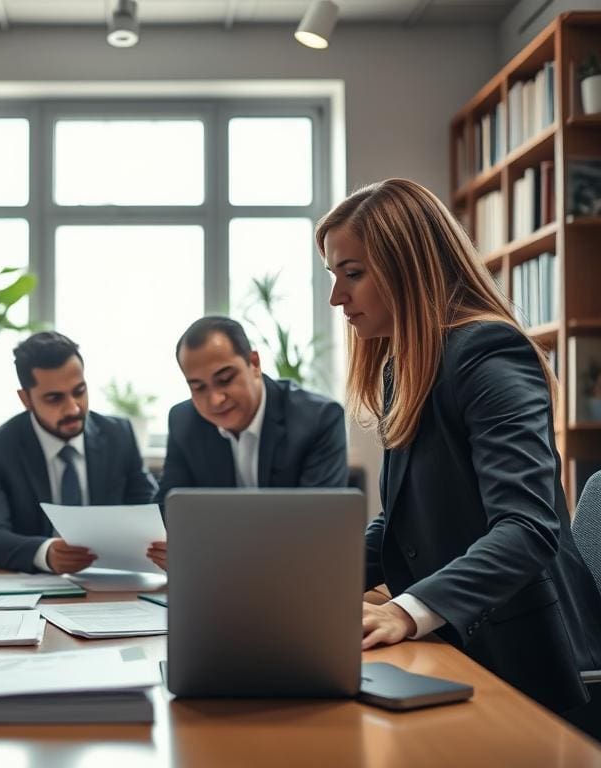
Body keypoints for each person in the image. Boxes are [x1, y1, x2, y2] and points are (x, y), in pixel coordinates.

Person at [318, 177, 601, 714]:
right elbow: (403, 525)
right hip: (461, 639)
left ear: (408, 267)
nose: (337, 297)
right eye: (334, 277)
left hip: (531, 655)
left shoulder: (488, 354)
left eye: (352, 274)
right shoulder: (404, 367)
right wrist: (308, 582)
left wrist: (404, 611)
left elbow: (527, 528)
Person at [148, 316, 348, 570]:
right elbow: (168, 512)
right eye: (198, 388)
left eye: (225, 379)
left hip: (297, 575)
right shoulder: (184, 421)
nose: (215, 400)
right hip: (212, 581)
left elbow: (317, 526)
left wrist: (208, 548)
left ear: (254, 363)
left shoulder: (318, 419)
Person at [0, 331, 157, 573]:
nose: (73, 408)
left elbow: (149, 513)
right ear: (26, 399)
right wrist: (45, 553)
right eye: (54, 398)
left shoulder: (118, 435)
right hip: (37, 588)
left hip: (115, 582)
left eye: (79, 391)